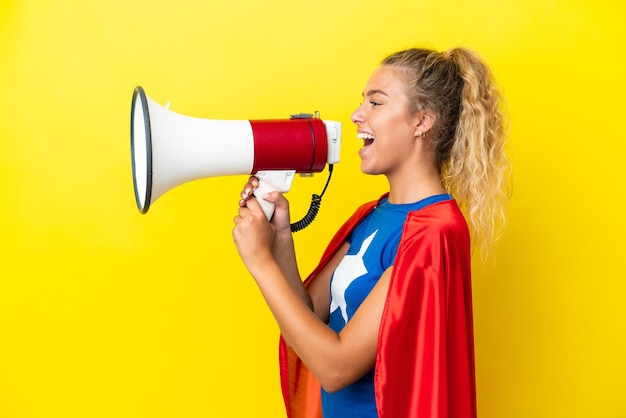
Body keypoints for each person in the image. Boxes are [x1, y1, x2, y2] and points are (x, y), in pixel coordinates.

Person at [232, 46, 510, 418]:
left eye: (375, 104)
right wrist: (280, 237)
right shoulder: (374, 213)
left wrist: (260, 261)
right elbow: (310, 315)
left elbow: (335, 368)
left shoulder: (433, 233)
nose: (356, 115)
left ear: (421, 121)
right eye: (361, 102)